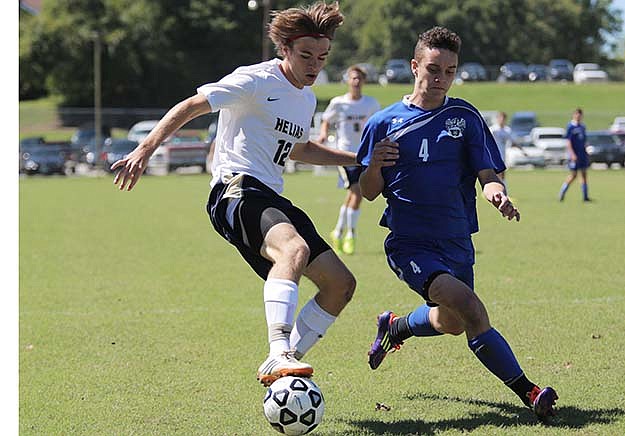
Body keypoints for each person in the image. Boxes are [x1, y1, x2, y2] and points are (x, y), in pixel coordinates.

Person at [111, 1, 357, 387]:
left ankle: (282, 362)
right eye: (306, 55)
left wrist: (356, 157)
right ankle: (279, 351)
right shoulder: (255, 80)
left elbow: (300, 149)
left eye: (322, 57)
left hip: (270, 195)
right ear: (286, 49)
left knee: (340, 285)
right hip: (234, 189)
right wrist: (145, 149)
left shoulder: (307, 98)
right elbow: (192, 105)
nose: (314, 65)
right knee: (294, 250)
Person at [357, 26, 558, 419]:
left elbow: (487, 173)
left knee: (450, 321)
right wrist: (376, 164)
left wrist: (497, 193)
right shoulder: (383, 123)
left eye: (449, 71)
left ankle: (395, 327)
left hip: (456, 240)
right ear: (415, 67)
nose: (440, 79)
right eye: (433, 69)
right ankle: (531, 393)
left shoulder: (464, 116)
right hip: (410, 244)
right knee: (469, 307)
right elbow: (367, 190)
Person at [317, 65, 381, 255]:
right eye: (353, 78)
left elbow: (377, 125)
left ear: (364, 81)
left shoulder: (371, 103)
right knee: (357, 191)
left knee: (354, 196)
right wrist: (322, 134)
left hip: (364, 155)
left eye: (359, 78)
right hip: (343, 154)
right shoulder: (338, 103)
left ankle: (338, 231)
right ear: (347, 81)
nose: (356, 82)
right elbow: (326, 120)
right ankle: (351, 235)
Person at [558, 108, 591, 202]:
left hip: (582, 154)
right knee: (574, 175)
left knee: (584, 174)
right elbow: (568, 142)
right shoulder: (570, 127)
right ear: (574, 115)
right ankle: (562, 192)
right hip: (574, 155)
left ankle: (585, 196)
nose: (579, 116)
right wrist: (572, 154)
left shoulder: (582, 127)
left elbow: (584, 141)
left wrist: (586, 152)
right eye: (577, 114)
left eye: (580, 115)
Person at [489, 111, 512, 187]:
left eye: (503, 118)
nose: (502, 120)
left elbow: (512, 141)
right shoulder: (493, 129)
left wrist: (522, 150)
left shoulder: (507, 130)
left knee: (502, 173)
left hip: (503, 154)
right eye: (500, 118)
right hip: (494, 154)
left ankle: (503, 191)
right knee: (496, 173)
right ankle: (496, 190)